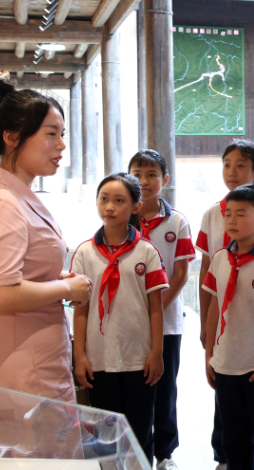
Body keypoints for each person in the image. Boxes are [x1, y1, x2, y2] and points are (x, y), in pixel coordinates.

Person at [0, 80, 92, 399]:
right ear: (11, 138)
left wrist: (53, 278)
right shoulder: (3, 203)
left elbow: (19, 272)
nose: (61, 145)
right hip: (18, 370)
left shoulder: (16, 195)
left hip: (33, 358)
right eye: (51, 134)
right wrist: (66, 288)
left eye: (62, 134)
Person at [197, 139, 254, 468]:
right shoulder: (221, 258)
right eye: (228, 215)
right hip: (225, 364)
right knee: (234, 442)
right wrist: (209, 354)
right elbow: (214, 306)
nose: (231, 221)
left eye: (240, 214)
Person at [72, 173, 168, 467]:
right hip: (99, 359)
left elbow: (155, 307)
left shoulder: (146, 251)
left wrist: (156, 352)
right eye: (104, 199)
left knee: (139, 431)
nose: (109, 207)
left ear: (136, 206)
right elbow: (81, 309)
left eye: (119, 200)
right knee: (105, 435)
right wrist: (79, 355)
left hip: (139, 359)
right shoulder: (84, 253)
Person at [128, 150, 195, 470]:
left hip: (167, 323)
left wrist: (153, 310)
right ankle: (136, 450)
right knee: (134, 389)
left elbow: (181, 274)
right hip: (128, 321)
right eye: (137, 174)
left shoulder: (177, 221)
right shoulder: (123, 217)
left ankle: (165, 453)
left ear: (165, 180)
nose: (144, 181)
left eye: (152, 174)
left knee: (165, 389)